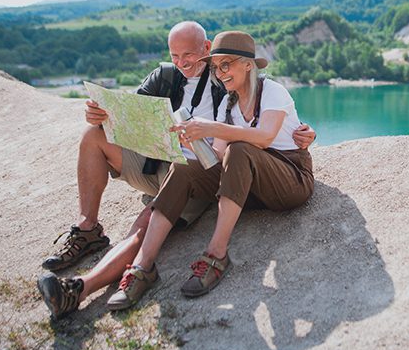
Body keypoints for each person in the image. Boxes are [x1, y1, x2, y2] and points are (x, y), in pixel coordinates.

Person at [37, 24, 315, 318]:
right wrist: (107, 116)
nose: (219, 72)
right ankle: (111, 247)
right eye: (175, 56)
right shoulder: (196, 90)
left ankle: (209, 256)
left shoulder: (256, 89)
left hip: (269, 174)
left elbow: (264, 136)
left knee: (232, 152)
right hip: (174, 166)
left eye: (225, 64)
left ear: (245, 65)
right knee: (112, 141)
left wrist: (209, 129)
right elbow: (216, 158)